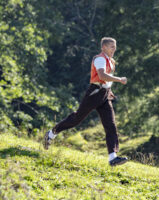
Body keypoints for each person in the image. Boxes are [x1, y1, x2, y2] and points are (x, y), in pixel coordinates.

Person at [43, 37, 128, 166]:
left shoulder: (111, 61)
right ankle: (51, 133)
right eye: (111, 46)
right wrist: (119, 79)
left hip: (105, 95)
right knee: (77, 119)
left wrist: (109, 89)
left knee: (110, 125)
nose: (114, 49)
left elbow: (107, 81)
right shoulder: (99, 59)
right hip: (95, 93)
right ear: (104, 47)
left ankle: (112, 157)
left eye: (115, 47)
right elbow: (102, 76)